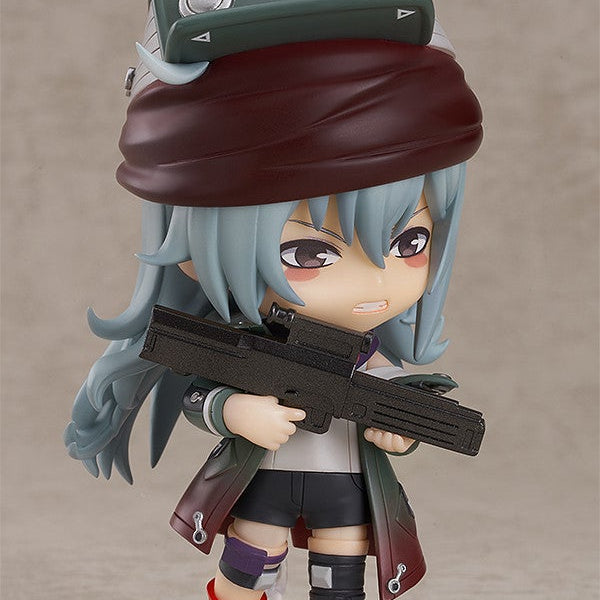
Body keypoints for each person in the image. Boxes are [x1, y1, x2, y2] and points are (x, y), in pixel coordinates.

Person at [65, 3, 482, 598]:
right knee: (248, 570)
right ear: (194, 248)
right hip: (263, 484)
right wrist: (234, 412)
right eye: (308, 253)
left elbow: (391, 391)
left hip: (345, 490)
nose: (372, 282)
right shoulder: (253, 353)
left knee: (341, 580)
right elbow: (201, 392)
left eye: (409, 243)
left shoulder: (364, 361)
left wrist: (400, 432)